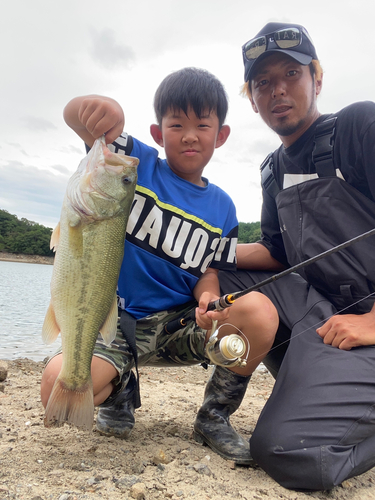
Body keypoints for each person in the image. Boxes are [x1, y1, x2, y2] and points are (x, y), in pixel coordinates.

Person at [41, 67, 278, 465]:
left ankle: (214, 416)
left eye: (202, 125)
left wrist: (207, 300)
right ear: (157, 133)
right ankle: (119, 391)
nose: (189, 135)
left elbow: (210, 271)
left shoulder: (223, 207)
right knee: (57, 386)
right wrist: (105, 110)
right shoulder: (132, 165)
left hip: (177, 328)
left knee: (260, 312)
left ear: (221, 136)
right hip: (112, 322)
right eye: (176, 124)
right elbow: (77, 118)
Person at [219, 21, 375, 490]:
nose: (277, 90)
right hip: (326, 318)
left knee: (286, 452)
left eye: (291, 73)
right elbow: (276, 253)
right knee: (222, 277)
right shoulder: (272, 170)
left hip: (367, 324)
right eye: (263, 82)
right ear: (251, 97)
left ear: (317, 80)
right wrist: (211, 254)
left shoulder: (358, 126)